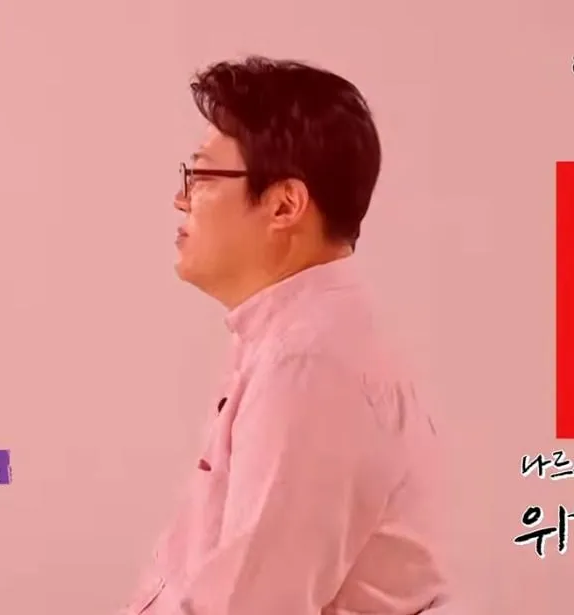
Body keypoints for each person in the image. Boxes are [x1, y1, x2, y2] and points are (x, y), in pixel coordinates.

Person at [122, 56, 451, 615]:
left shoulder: (310, 364)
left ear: (283, 205)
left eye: (201, 176)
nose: (181, 198)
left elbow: (253, 605)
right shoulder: (293, 339)